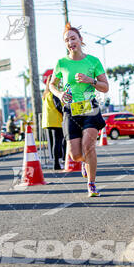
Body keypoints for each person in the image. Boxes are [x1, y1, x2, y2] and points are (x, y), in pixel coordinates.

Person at [49, 22, 109, 197]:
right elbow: (52, 85)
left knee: (88, 145)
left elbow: (105, 87)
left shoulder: (93, 61)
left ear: (80, 40)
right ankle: (85, 163)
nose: (70, 42)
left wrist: (89, 80)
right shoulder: (61, 63)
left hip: (90, 108)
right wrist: (60, 94)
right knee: (75, 155)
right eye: (66, 40)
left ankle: (91, 184)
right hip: (71, 110)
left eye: (73, 38)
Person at [42, 74, 64, 170]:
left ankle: (57, 162)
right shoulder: (54, 93)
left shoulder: (46, 94)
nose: (59, 81)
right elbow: (58, 106)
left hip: (49, 121)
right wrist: (65, 113)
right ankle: (57, 163)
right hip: (56, 121)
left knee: (54, 142)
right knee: (58, 142)